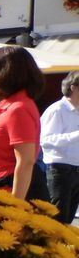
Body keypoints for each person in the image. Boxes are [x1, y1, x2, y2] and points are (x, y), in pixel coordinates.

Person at [0, 46, 49, 201]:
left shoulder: (19, 108)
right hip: (1, 189)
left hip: (12, 193)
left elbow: (26, 161)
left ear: (5, 72)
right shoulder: (9, 106)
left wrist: (14, 205)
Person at [40, 70, 79, 223]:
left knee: (67, 220)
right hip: (60, 169)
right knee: (57, 218)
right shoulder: (56, 110)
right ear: (74, 87)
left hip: (75, 169)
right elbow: (46, 140)